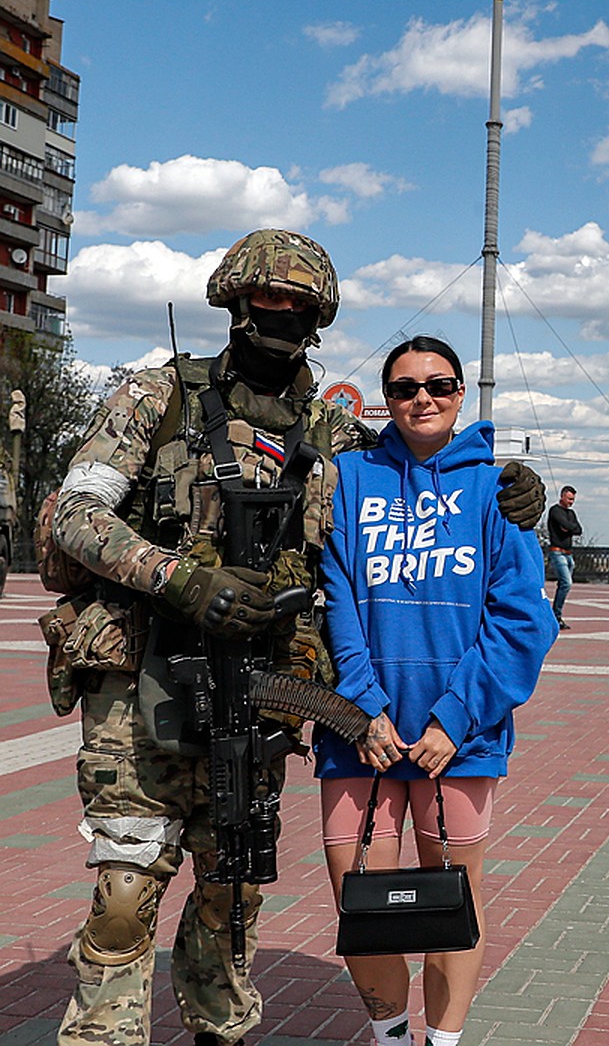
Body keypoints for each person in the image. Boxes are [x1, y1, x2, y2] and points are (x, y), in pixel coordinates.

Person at [49, 233, 546, 1046]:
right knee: (128, 886)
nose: (278, 318)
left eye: (298, 307)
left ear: (319, 317)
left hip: (261, 690)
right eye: (264, 303)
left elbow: (412, 463)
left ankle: (220, 1026)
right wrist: (184, 581)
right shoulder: (155, 395)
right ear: (233, 305)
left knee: (234, 884)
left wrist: (504, 479)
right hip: (144, 681)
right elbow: (75, 515)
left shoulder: (334, 431)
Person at [316, 334, 557, 1046]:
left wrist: (453, 720)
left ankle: (444, 1042)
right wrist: (364, 711)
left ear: (460, 395)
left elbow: (521, 620)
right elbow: (337, 601)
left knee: (453, 904)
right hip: (359, 733)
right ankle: (390, 1036)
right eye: (404, 387)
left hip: (460, 741)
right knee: (360, 903)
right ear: (386, 400)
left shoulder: (495, 489)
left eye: (440, 385)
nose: (422, 397)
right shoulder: (349, 478)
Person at [546, 485, 581, 628]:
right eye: (569, 499)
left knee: (563, 585)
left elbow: (578, 529)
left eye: (573, 499)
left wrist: (569, 528)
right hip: (557, 551)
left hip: (568, 553)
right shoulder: (555, 510)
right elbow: (565, 525)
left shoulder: (571, 513)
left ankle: (556, 616)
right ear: (562, 496)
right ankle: (556, 615)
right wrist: (569, 528)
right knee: (567, 582)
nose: (571, 502)